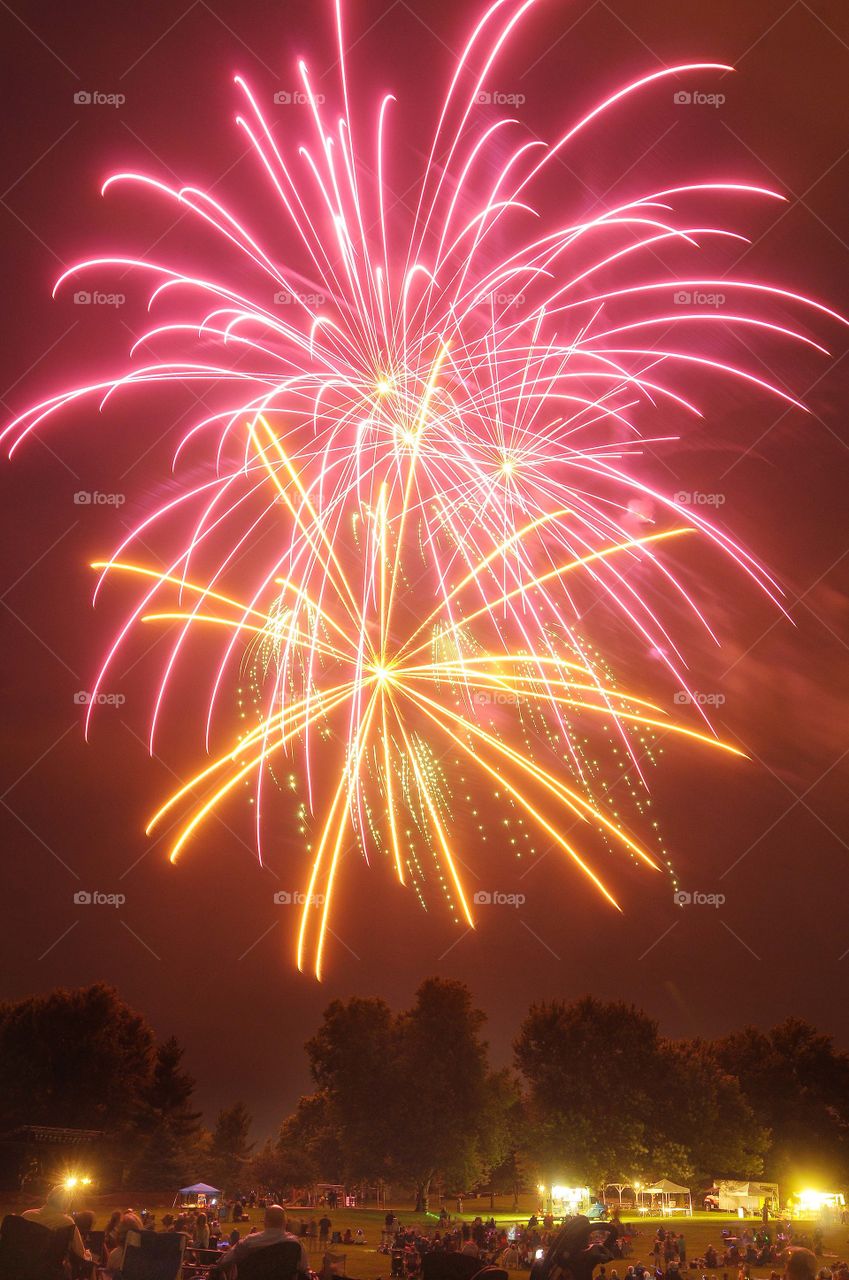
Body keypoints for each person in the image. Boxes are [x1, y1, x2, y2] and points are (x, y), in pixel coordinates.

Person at [211, 1204, 310, 1278]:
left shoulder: (249, 1242)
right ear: (285, 1223)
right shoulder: (296, 1245)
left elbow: (224, 1262)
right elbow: (304, 1269)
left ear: (265, 1221)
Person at [22, 1186, 88, 1267]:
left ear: (49, 1197)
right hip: (50, 1269)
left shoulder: (27, 1215)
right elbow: (80, 1253)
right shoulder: (66, 1222)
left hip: (23, 1266)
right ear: (67, 1203)